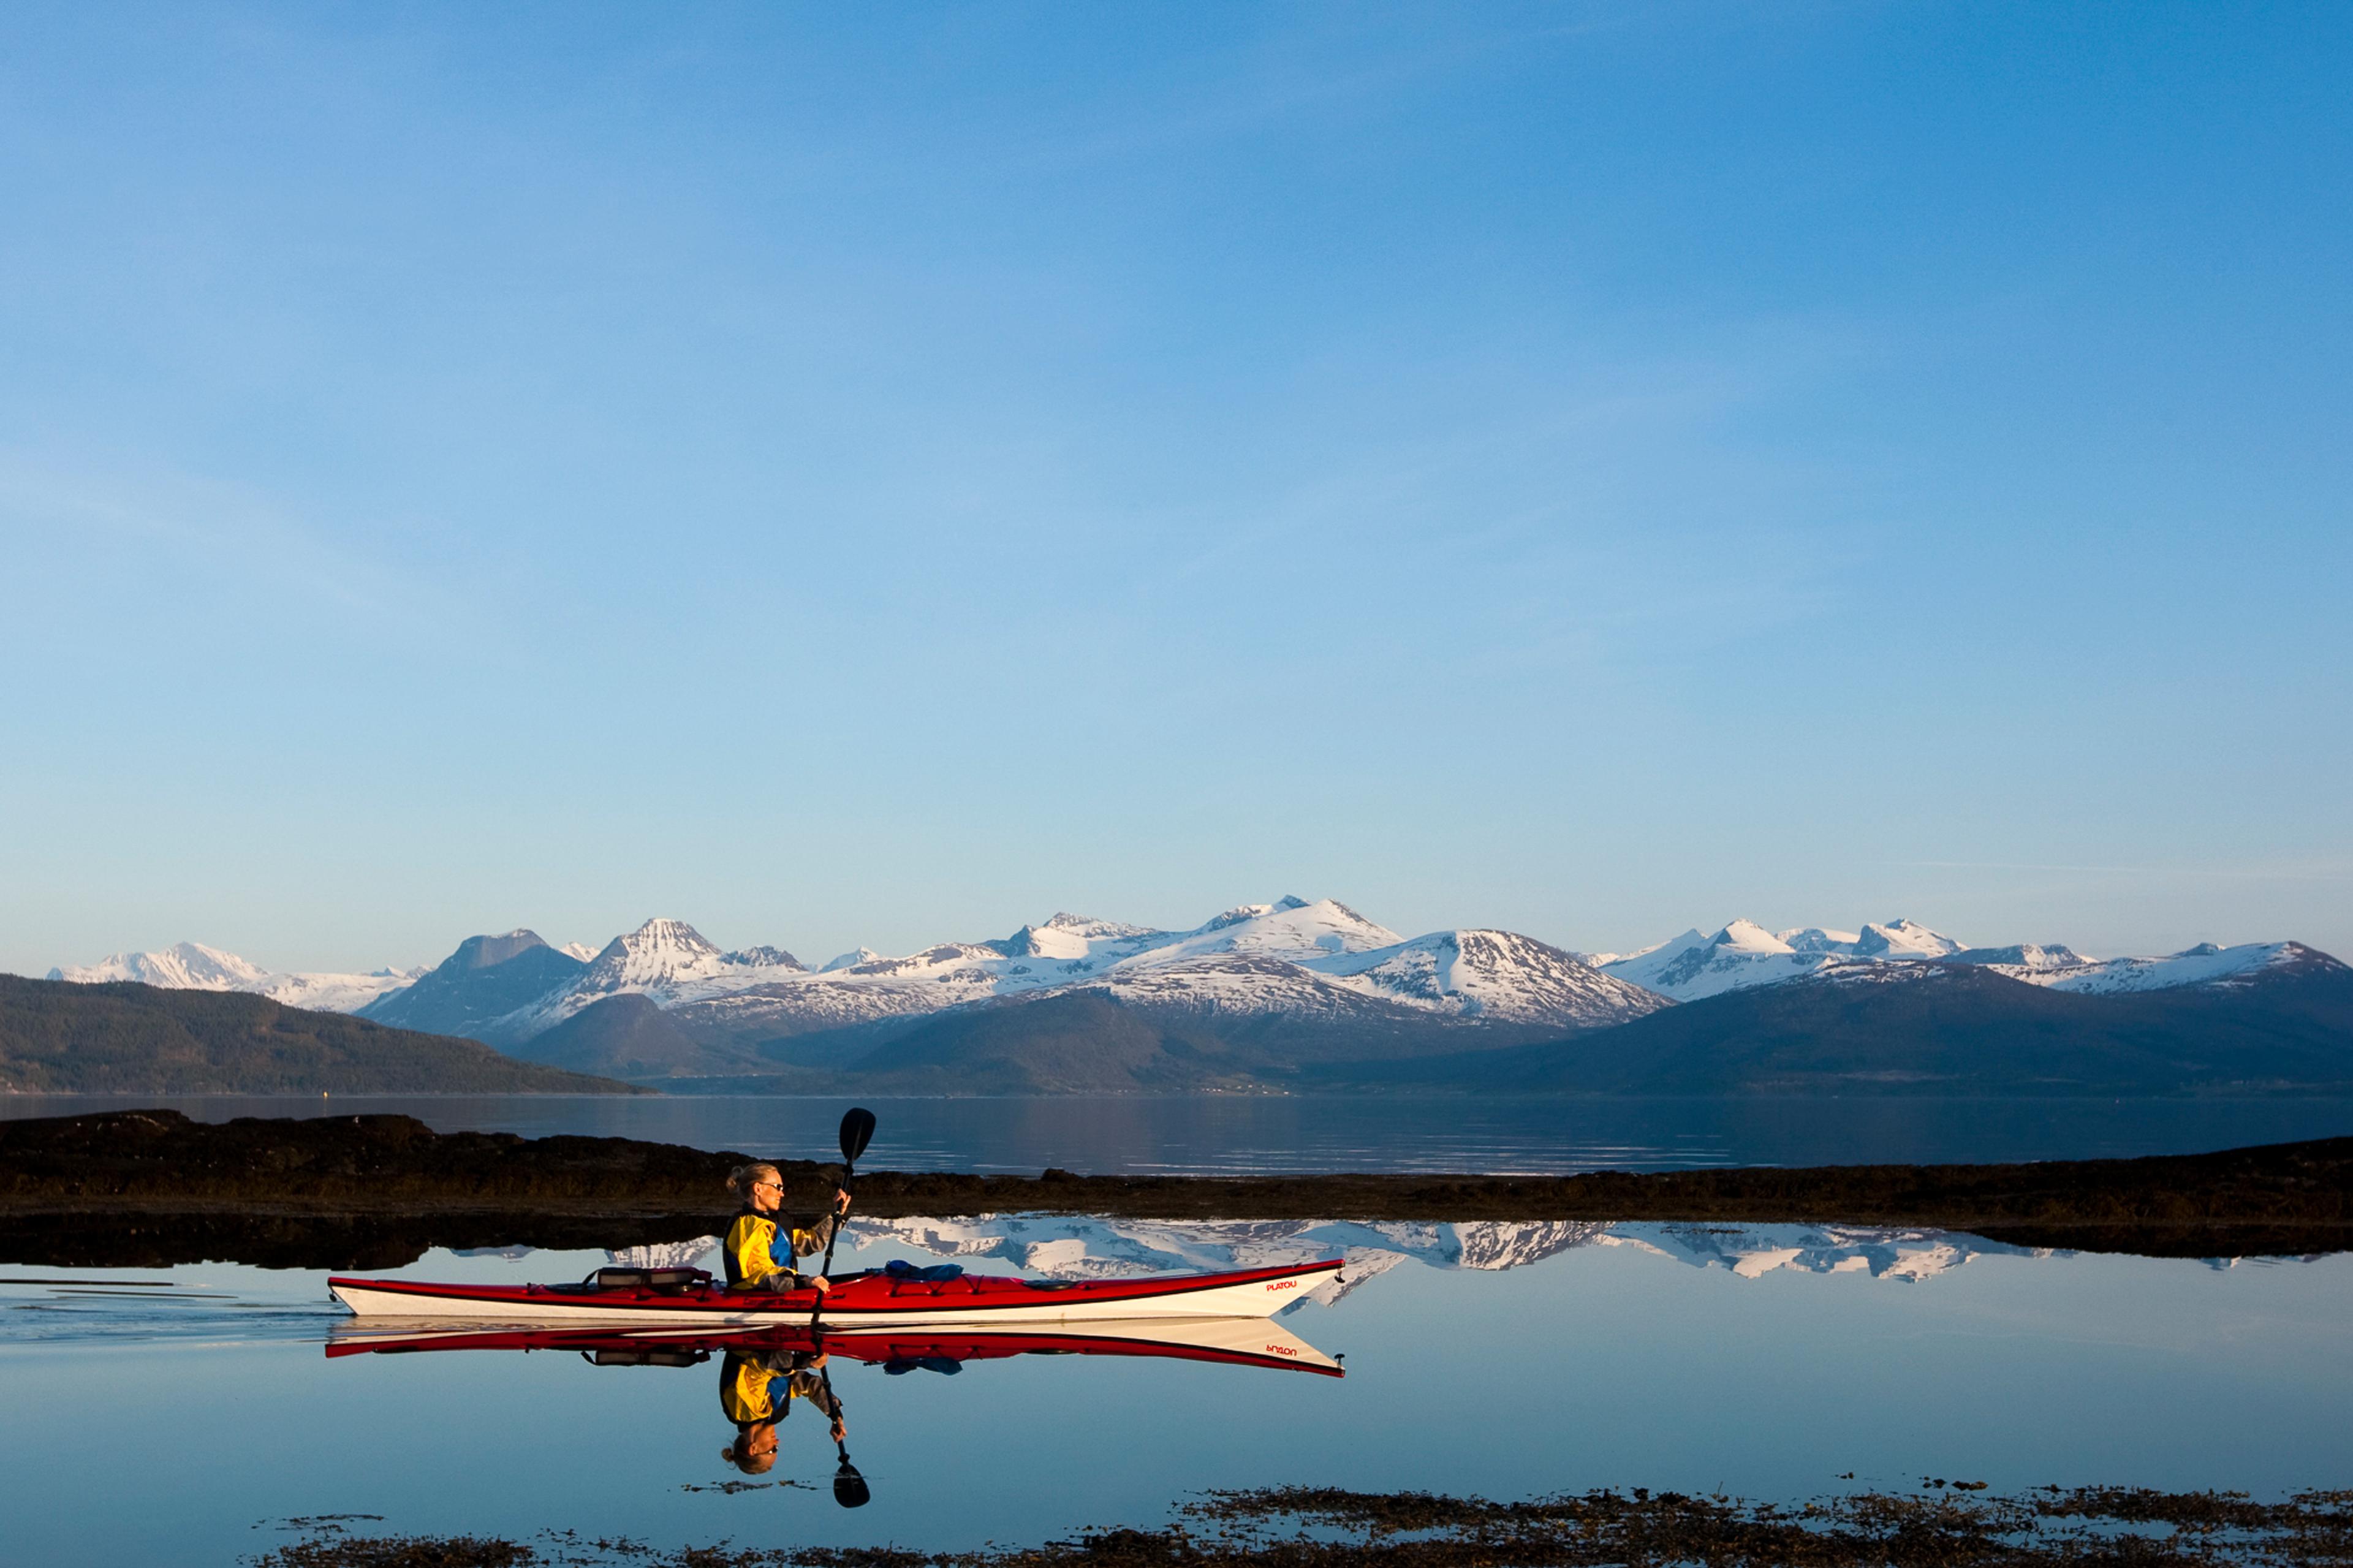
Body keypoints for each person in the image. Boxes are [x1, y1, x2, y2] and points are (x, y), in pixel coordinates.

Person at [722, 1161, 852, 1294]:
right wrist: (801, 1282)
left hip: (780, 1290)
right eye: (778, 1187)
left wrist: (837, 1216)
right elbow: (758, 1273)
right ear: (758, 1189)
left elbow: (810, 1242)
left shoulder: (772, 1223)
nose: (782, 1194)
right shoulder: (749, 1226)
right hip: (753, 1295)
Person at [718, 1346, 844, 1474]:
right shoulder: (768, 1412)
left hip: (754, 1343)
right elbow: (804, 1384)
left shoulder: (745, 1410)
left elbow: (761, 1366)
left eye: (773, 1449)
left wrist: (804, 1362)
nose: (777, 1442)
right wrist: (835, 1415)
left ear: (753, 1449)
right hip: (775, 1346)